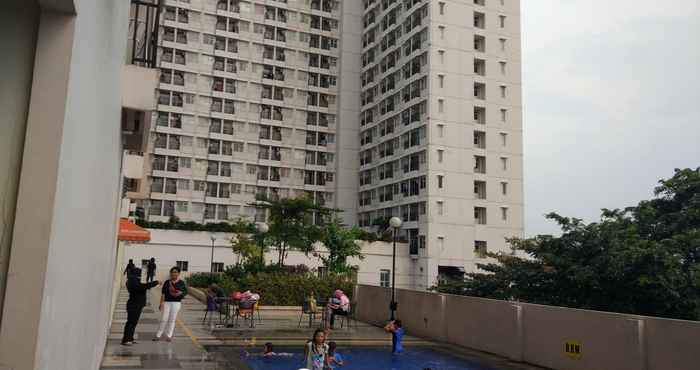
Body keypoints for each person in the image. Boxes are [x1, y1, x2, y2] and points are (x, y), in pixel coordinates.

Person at [121, 268, 159, 345]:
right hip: (134, 305)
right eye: (140, 274)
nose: (141, 276)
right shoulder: (133, 282)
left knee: (133, 322)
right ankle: (126, 340)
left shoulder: (132, 281)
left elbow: (143, 286)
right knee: (131, 322)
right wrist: (156, 282)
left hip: (135, 304)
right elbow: (143, 286)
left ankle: (129, 338)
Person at [153, 266, 187, 342]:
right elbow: (163, 294)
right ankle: (158, 335)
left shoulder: (181, 283)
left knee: (172, 319)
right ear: (170, 273)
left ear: (178, 273)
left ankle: (169, 335)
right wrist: (161, 303)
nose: (174, 274)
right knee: (164, 319)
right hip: (167, 302)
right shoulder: (167, 282)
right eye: (172, 272)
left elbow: (185, 292)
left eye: (175, 272)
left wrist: (180, 293)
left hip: (176, 303)